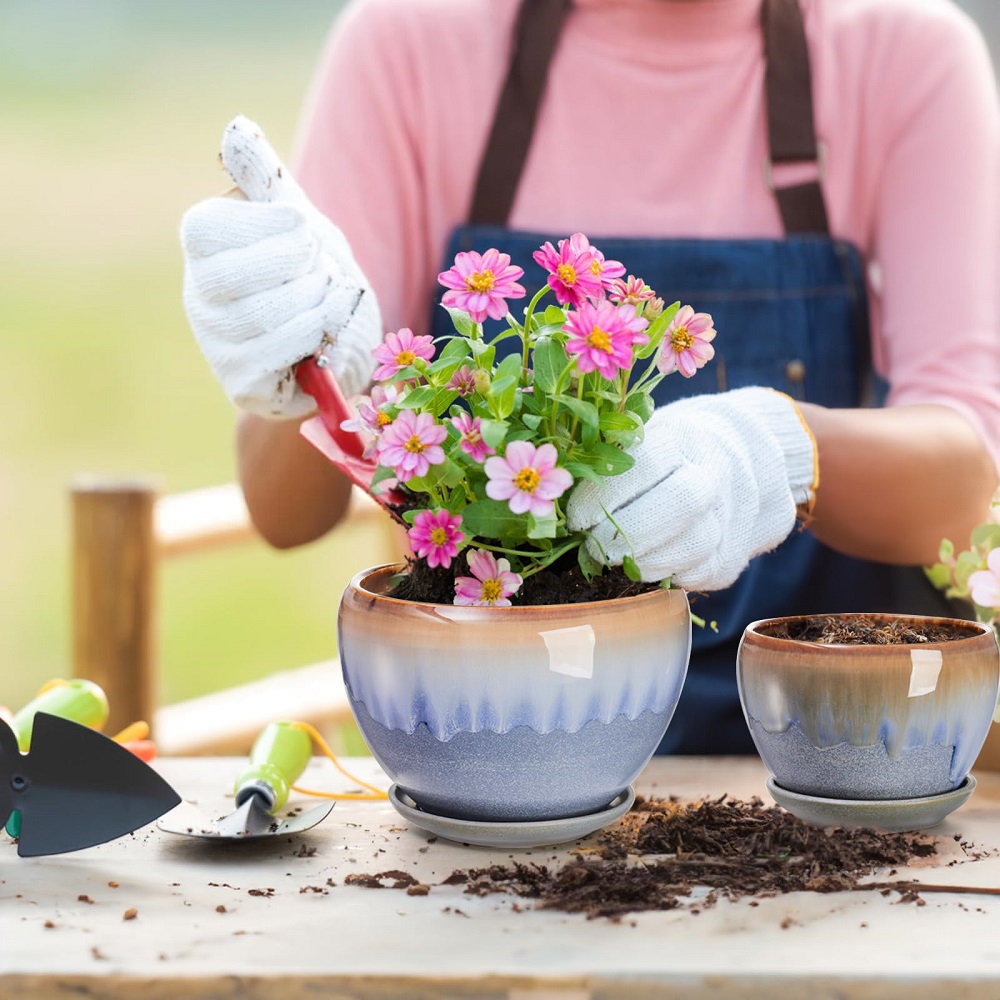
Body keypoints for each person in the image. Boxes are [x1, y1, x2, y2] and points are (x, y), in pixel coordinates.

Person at [181, 0, 1000, 754]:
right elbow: (285, 512)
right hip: (501, 758)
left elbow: (969, 479)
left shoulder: (905, 57)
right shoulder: (408, 45)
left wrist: (776, 451)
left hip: (820, 760)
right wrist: (299, 350)